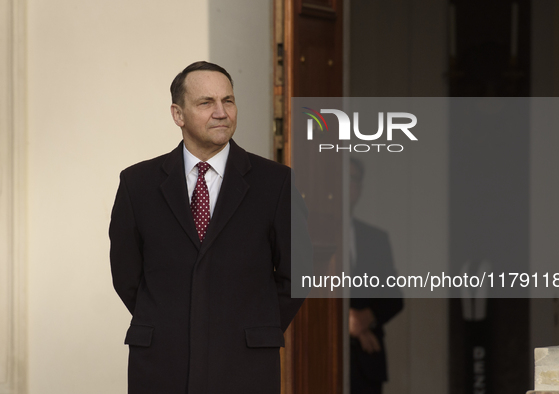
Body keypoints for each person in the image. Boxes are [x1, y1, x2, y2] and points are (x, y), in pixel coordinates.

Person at [109, 61, 311, 394]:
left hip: (246, 366)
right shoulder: (137, 184)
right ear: (178, 114)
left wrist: (254, 326)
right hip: (161, 364)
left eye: (228, 101)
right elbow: (127, 275)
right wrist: (171, 320)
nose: (221, 112)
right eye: (206, 103)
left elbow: (297, 273)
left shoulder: (275, 183)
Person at [348, 157, 404, 394]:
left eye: (354, 180)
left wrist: (364, 318)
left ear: (360, 189)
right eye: (343, 178)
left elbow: (394, 297)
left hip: (366, 361)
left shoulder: (375, 239)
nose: (349, 185)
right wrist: (345, 320)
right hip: (318, 357)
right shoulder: (306, 234)